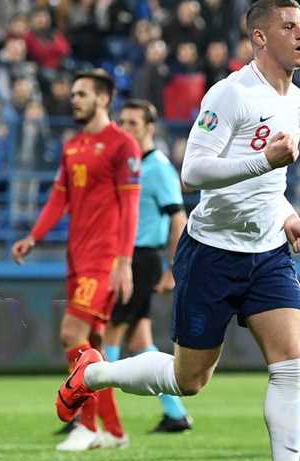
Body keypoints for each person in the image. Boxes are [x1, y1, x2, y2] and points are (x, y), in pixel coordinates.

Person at [55, 2, 300, 461]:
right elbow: (194, 172)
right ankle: (92, 374)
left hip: (268, 250)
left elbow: (272, 183)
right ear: (260, 37)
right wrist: (264, 159)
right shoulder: (230, 94)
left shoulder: (298, 101)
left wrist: (287, 214)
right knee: (189, 379)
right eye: (289, 26)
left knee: (291, 361)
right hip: (212, 252)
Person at [12, 69, 141, 452]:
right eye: (73, 94)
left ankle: (85, 425)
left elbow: (130, 205)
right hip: (77, 257)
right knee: (93, 344)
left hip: (104, 258)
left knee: (71, 333)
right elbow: (59, 198)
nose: (74, 100)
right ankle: (113, 430)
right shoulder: (72, 146)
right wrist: (34, 237)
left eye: (82, 94)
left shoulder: (122, 145)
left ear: (103, 98)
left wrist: (124, 260)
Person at [103, 99, 193, 433]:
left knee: (109, 332)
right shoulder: (129, 165)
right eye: (122, 122)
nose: (125, 129)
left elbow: (178, 219)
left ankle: (95, 413)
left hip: (141, 259)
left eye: (133, 123)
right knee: (141, 342)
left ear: (149, 128)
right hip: (129, 257)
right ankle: (175, 413)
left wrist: (173, 268)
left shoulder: (158, 169)